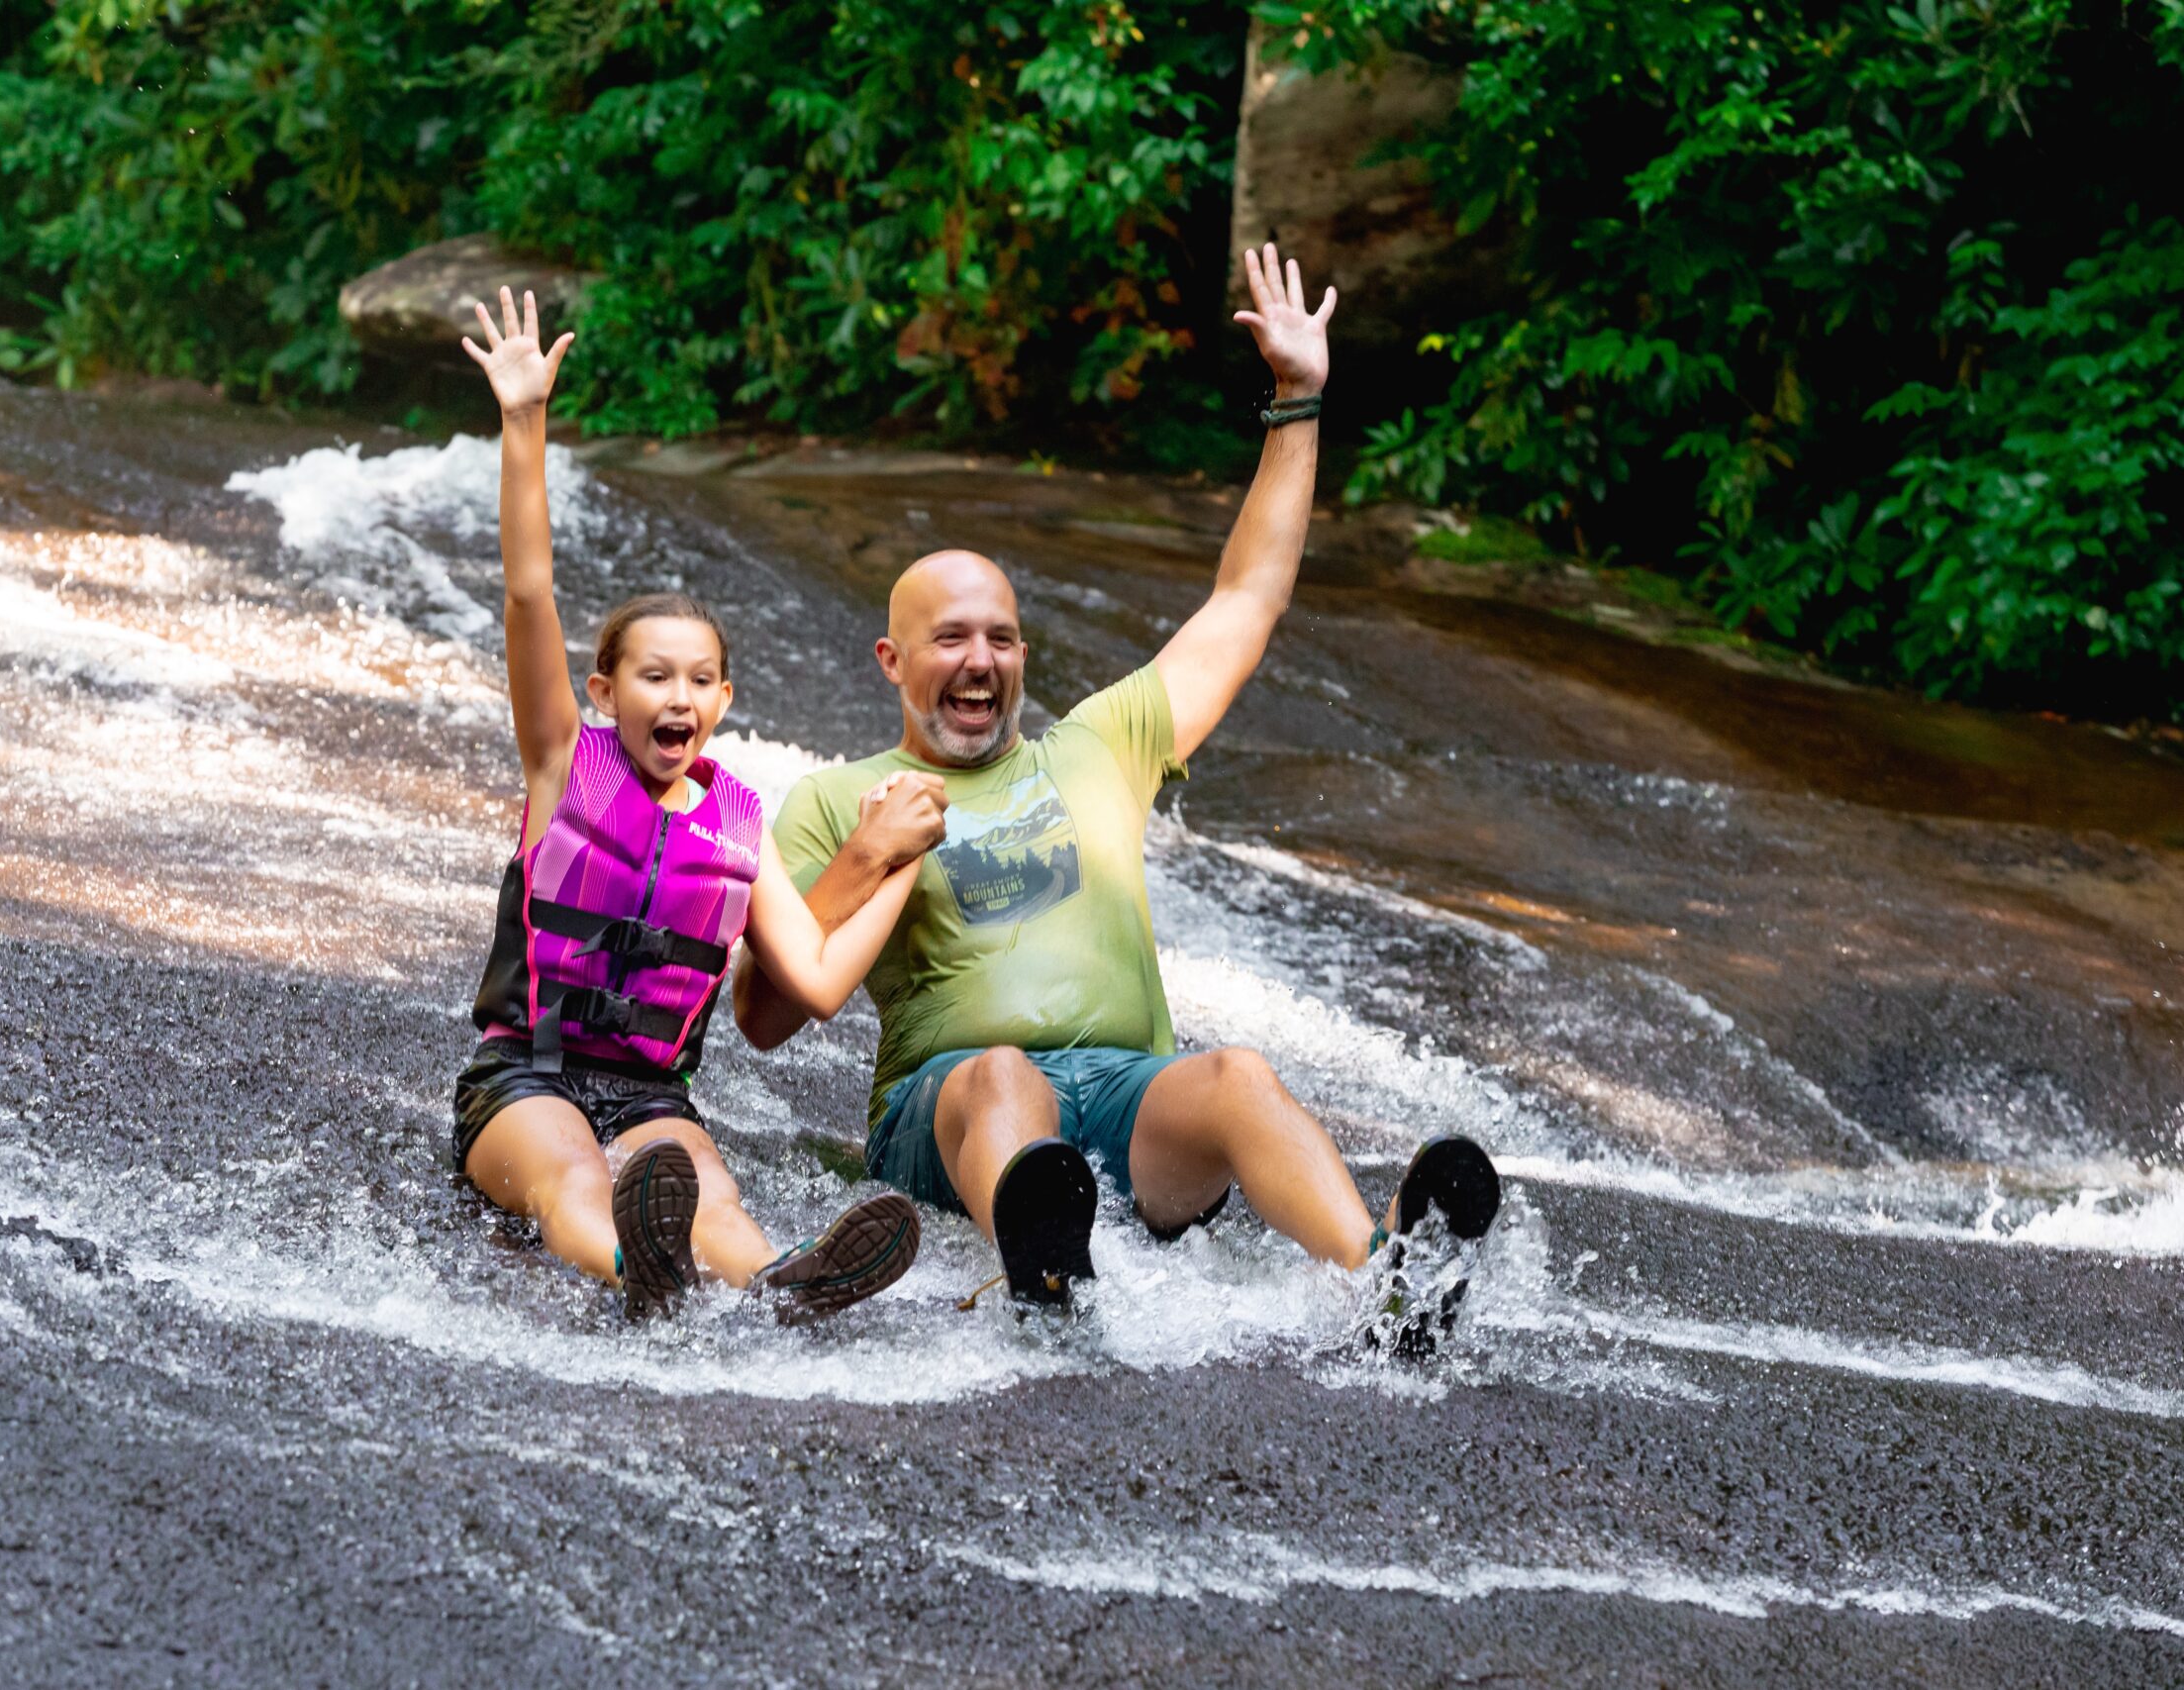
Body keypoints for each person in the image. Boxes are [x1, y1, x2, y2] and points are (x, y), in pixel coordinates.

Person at [734, 247, 1461, 1307]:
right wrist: (864, 857)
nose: (979, 660)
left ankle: (1382, 1285)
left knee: (1238, 1076)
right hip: (948, 1112)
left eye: (1001, 638)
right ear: (892, 661)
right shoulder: (837, 798)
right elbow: (759, 1013)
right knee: (1002, 1074)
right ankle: (1035, 1270)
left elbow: (1245, 602)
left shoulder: (1097, 744)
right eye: (948, 639)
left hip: (1130, 1104)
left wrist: (1297, 403)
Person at [451, 285, 931, 1323]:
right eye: (651, 675)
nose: (674, 696)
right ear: (603, 689)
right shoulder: (558, 767)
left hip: (651, 1096)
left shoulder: (736, 832)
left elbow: (810, 979)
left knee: (705, 1186)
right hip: (522, 1079)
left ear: (722, 700)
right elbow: (530, 592)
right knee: (574, 1179)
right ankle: (640, 1273)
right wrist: (524, 420)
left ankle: (776, 1286)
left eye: (695, 679)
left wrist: (898, 864)